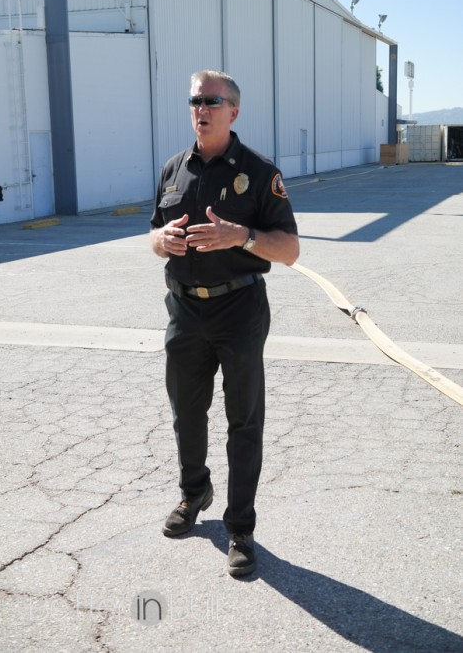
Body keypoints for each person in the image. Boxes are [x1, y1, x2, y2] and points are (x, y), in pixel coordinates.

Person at [150, 70, 299, 577]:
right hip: (185, 310)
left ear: (233, 110)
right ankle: (195, 496)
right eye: (195, 99)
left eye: (212, 100)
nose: (201, 108)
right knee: (186, 414)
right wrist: (161, 240)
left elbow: (291, 250)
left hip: (239, 310)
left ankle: (241, 528)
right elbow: (152, 236)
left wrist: (242, 236)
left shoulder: (259, 173)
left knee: (244, 422)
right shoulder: (174, 169)